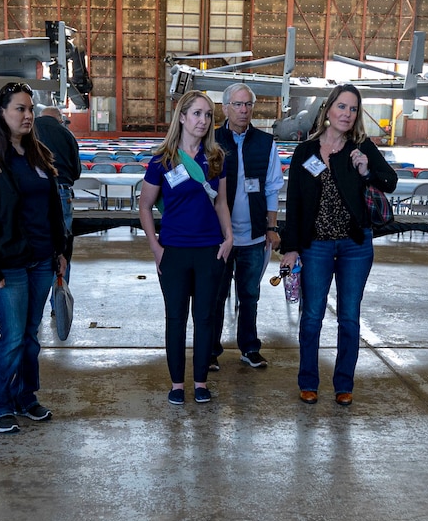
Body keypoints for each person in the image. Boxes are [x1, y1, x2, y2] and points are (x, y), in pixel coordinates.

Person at [277, 84, 397, 405]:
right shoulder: (306, 151)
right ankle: (308, 381)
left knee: (349, 317)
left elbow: (390, 181)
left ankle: (344, 384)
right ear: (328, 110)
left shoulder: (362, 147)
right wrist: (290, 246)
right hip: (315, 246)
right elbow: (296, 203)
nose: (347, 114)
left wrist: (365, 168)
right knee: (313, 315)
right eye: (341, 107)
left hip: (354, 247)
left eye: (353, 109)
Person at [0, 81, 69, 432]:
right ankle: (0, 405)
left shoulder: (39, 155)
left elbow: (53, 210)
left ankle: (26, 397)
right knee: (11, 337)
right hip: (7, 265)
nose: (27, 115)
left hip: (41, 260)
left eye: (30, 109)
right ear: (2, 114)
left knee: (31, 336)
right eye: (20, 109)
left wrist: (60, 252)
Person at [138, 90, 235, 405]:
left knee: (205, 317)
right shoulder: (162, 161)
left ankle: (201, 382)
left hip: (210, 250)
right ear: (181, 116)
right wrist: (156, 247)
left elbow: (220, 202)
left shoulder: (216, 157)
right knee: (176, 318)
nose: (203, 120)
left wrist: (228, 237)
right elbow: (145, 206)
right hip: (175, 251)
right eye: (197, 113)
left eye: (208, 115)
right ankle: (178, 384)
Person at [209, 81, 283, 372]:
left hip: (253, 235)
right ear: (225, 107)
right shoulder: (211, 140)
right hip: (220, 237)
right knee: (216, 294)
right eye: (237, 104)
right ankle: (211, 350)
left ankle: (249, 348)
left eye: (248, 104)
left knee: (249, 294)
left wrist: (272, 227)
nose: (243, 110)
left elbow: (273, 188)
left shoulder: (266, 143)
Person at [32, 99, 83, 263]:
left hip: (31, 192)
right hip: (61, 189)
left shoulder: (27, 129)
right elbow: (76, 172)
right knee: (63, 243)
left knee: (33, 238)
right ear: (60, 119)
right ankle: (60, 285)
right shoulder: (67, 134)